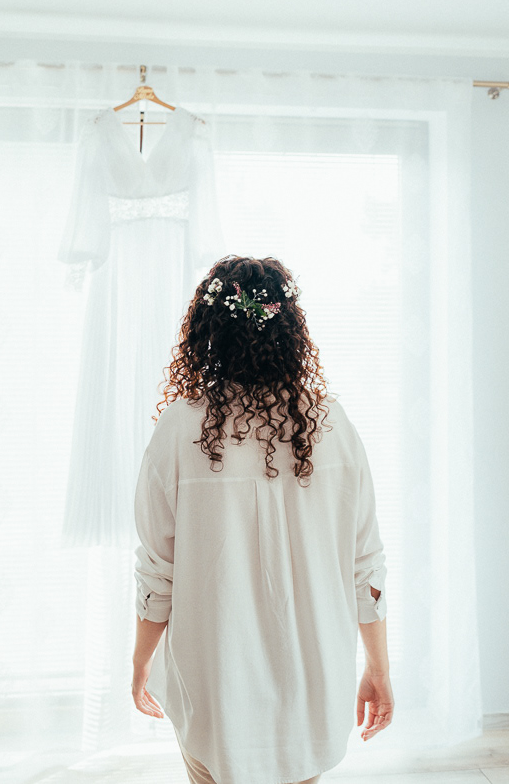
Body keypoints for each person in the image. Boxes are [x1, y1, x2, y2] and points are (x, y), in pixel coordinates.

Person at [131, 255, 394, 784]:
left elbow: (158, 573)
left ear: (207, 333)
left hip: (214, 686)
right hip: (313, 683)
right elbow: (366, 567)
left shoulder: (180, 430)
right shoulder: (332, 426)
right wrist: (378, 668)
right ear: (290, 330)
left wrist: (141, 662)